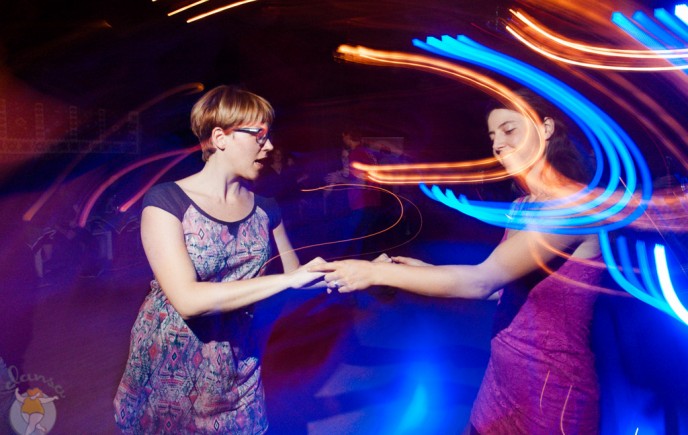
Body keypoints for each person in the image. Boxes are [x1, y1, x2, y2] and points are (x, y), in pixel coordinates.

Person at [310, 89, 604, 434]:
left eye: (509, 130)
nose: (498, 144)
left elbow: (481, 281)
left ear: (547, 128)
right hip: (501, 378)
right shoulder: (522, 205)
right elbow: (502, 290)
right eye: (492, 136)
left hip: (552, 392)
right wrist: (428, 272)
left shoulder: (571, 208)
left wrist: (375, 271)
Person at [113, 85, 324, 433]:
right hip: (169, 364)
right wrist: (288, 280)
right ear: (220, 137)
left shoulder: (266, 209)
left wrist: (368, 272)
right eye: (259, 135)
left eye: (269, 135)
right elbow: (188, 300)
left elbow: (297, 276)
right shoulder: (167, 202)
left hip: (238, 360)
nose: (269, 146)